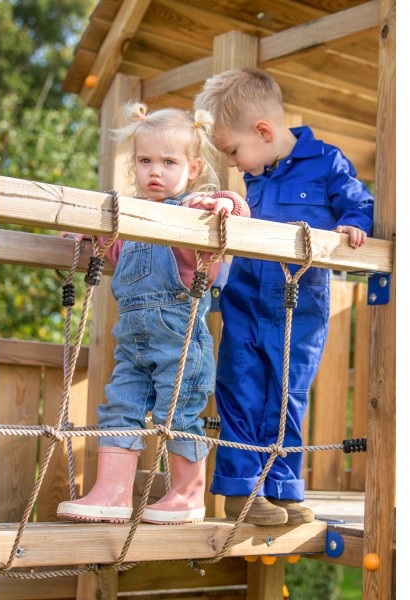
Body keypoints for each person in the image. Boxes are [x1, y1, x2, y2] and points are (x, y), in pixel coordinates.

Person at [192, 67, 374, 526]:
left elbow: (359, 203)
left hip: (301, 305)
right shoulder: (256, 174)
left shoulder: (327, 162)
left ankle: (283, 489)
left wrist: (353, 224)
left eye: (233, 151)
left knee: (288, 394)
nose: (235, 164)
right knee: (241, 389)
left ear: (263, 131)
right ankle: (242, 491)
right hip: (246, 298)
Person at [56, 102, 250, 525]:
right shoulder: (129, 219)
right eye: (145, 161)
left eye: (168, 162)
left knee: (177, 414)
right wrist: (84, 234)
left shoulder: (192, 213)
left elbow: (235, 207)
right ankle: (112, 493)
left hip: (180, 343)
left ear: (193, 168)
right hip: (132, 344)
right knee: (119, 408)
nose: (154, 171)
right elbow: (109, 246)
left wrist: (220, 204)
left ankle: (187, 496)